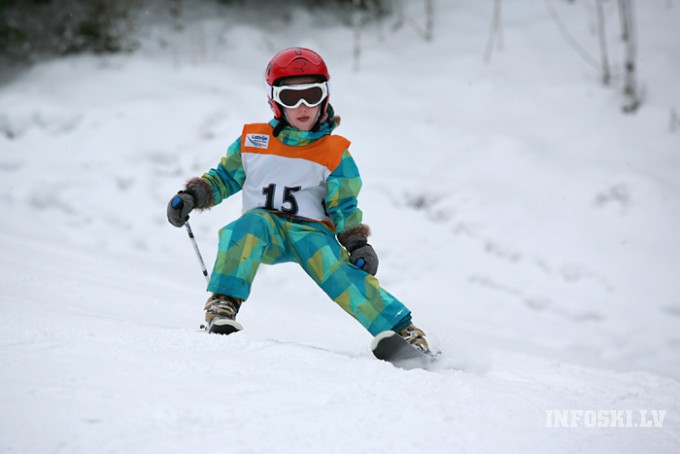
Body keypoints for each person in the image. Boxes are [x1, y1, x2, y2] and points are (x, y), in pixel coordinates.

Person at [167, 47, 429, 353]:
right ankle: (223, 304)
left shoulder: (334, 153)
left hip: (311, 233)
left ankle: (403, 332)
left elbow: (343, 206)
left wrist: (357, 243)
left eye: (312, 95)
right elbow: (225, 177)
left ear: (325, 98)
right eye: (291, 98)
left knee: (339, 273)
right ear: (275, 101)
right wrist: (194, 195)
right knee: (247, 225)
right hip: (266, 229)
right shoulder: (254, 142)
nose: (303, 106)